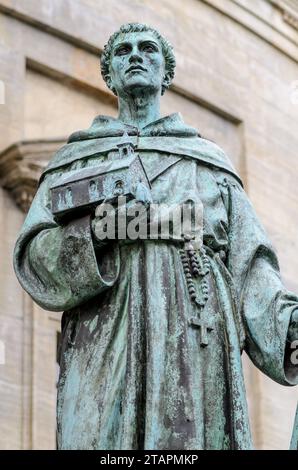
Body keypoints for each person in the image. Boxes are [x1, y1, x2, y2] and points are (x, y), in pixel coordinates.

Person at [13, 23, 298, 450]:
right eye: (123, 51)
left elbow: (252, 271)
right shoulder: (72, 162)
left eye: (147, 49)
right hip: (105, 348)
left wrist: (290, 331)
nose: (135, 55)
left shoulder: (209, 164)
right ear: (108, 75)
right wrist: (94, 234)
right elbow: (34, 256)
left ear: (167, 73)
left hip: (192, 347)